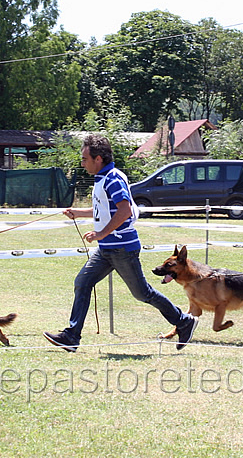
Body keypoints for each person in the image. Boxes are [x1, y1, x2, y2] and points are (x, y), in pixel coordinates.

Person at [43, 135, 198, 352]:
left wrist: (100, 233)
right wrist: (79, 213)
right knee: (83, 282)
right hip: (107, 248)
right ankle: (71, 337)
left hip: (122, 248)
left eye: (85, 158)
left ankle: (183, 321)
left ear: (98, 159)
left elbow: (124, 211)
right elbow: (106, 210)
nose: (82, 162)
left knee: (143, 293)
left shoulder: (113, 178)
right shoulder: (103, 177)